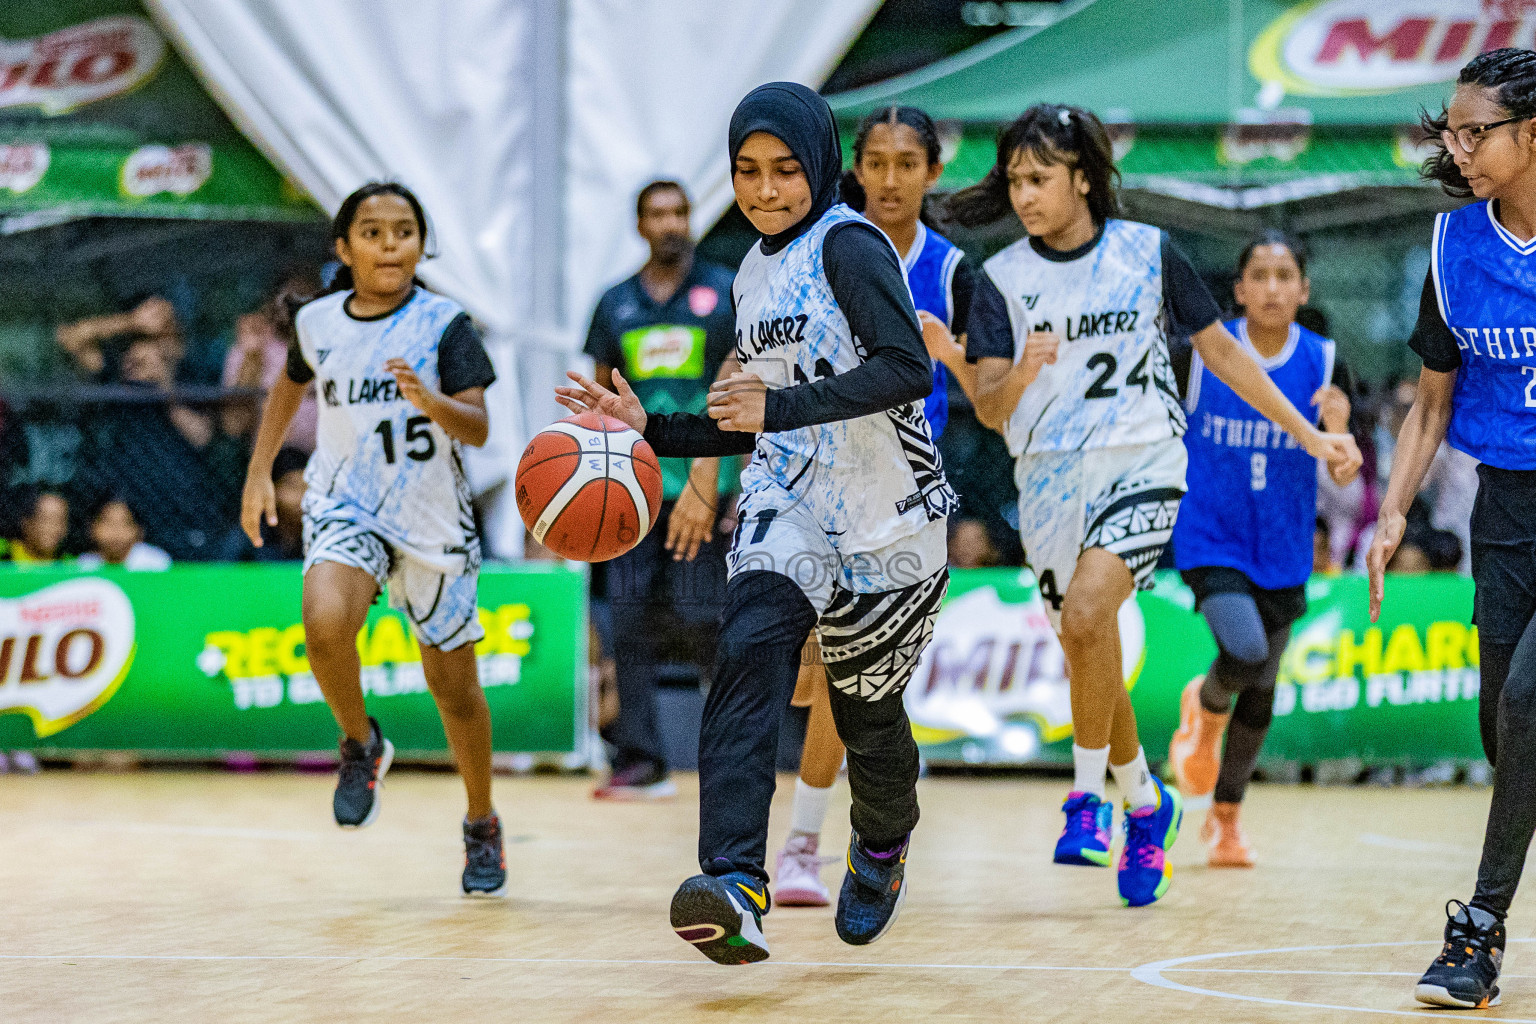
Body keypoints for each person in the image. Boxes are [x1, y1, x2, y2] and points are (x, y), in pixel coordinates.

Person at [556, 82, 953, 962]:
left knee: (866, 715)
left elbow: (905, 371)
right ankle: (734, 878)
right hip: (790, 499)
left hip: (889, 513)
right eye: (746, 172)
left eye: (783, 171)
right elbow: (747, 416)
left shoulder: (850, 246)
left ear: (818, 165)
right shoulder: (749, 271)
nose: (766, 189)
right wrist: (648, 429)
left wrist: (779, 407)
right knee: (747, 646)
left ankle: (882, 845)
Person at [949, 104, 1359, 907]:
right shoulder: (998, 278)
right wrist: (1020, 376)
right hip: (1049, 479)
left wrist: (1310, 436)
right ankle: (1146, 799)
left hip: (1144, 462)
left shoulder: (1148, 252)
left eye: (1039, 179)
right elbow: (991, 409)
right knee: (1085, 640)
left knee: (1089, 612)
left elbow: (1225, 357)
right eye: (1014, 182)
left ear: (1084, 178)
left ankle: (1084, 801)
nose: (1023, 195)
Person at [239, 182, 506, 898]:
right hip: (346, 501)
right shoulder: (318, 321)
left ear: (421, 245)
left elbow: (479, 427)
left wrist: (433, 402)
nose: (390, 244)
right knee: (325, 624)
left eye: (403, 232)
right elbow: (288, 388)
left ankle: (481, 822)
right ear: (344, 247)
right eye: (373, 231)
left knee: (455, 691)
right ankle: (360, 742)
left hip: (431, 517)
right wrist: (260, 471)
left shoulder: (446, 324)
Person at [1366, 49, 1536, 1010]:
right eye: (1454, 132)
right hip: (1505, 505)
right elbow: (1431, 407)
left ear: (1534, 134)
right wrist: (1392, 512)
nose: (1458, 148)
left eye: (1479, 132)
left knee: (1527, 703)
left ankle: (1476, 936)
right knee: (1500, 726)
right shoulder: (1453, 248)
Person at [774, 104, 977, 907]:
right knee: (803, 674)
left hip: (899, 504)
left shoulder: (958, 272)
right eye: (877, 163)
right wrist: (699, 483)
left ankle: (799, 845)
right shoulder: (812, 249)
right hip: (806, 480)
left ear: (931, 172)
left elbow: (991, 396)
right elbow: (754, 364)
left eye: (907, 163)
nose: (891, 179)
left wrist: (963, 360)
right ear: (856, 168)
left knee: (838, 677)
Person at [1162, 231, 1356, 869]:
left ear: (1303, 289)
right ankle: (1204, 703)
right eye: (1260, 276)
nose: (1272, 287)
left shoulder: (1327, 363)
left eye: (1285, 276)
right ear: (1239, 289)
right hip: (1211, 533)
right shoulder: (1200, 356)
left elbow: (1346, 469)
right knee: (1242, 650)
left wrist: (1337, 435)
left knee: (1264, 690)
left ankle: (1226, 819)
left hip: (1283, 542)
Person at [582, 180, 737, 801]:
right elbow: (600, 399)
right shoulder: (614, 303)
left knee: (711, 620)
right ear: (640, 225)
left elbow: (742, 393)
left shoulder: (725, 292)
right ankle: (641, 758)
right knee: (630, 620)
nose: (671, 223)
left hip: (708, 487)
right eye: (658, 214)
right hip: (633, 491)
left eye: (680, 212)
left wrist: (732, 486)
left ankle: (729, 755)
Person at [222, 271, 321, 452]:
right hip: (277, 458)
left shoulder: (333, 344)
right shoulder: (249, 346)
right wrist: (252, 358)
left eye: (308, 296)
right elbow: (234, 425)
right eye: (292, 297)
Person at [76, 497, 172, 571]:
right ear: (93, 528)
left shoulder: (155, 564)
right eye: (108, 522)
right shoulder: (85, 565)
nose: (116, 531)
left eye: (125, 523)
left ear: (139, 531)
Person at [1, 487, 69, 564]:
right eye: (46, 519)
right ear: (26, 523)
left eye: (60, 521)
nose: (53, 528)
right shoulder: (4, 555)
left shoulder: (70, 564)